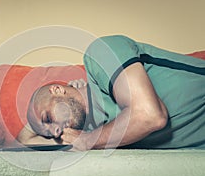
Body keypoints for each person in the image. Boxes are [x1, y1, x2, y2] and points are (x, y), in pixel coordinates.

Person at [17, 35, 205, 150]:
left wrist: (89, 141)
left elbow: (150, 116)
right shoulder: (93, 132)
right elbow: (23, 142)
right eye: (51, 134)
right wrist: (41, 124)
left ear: (58, 90)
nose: (56, 132)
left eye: (47, 118)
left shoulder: (100, 53)